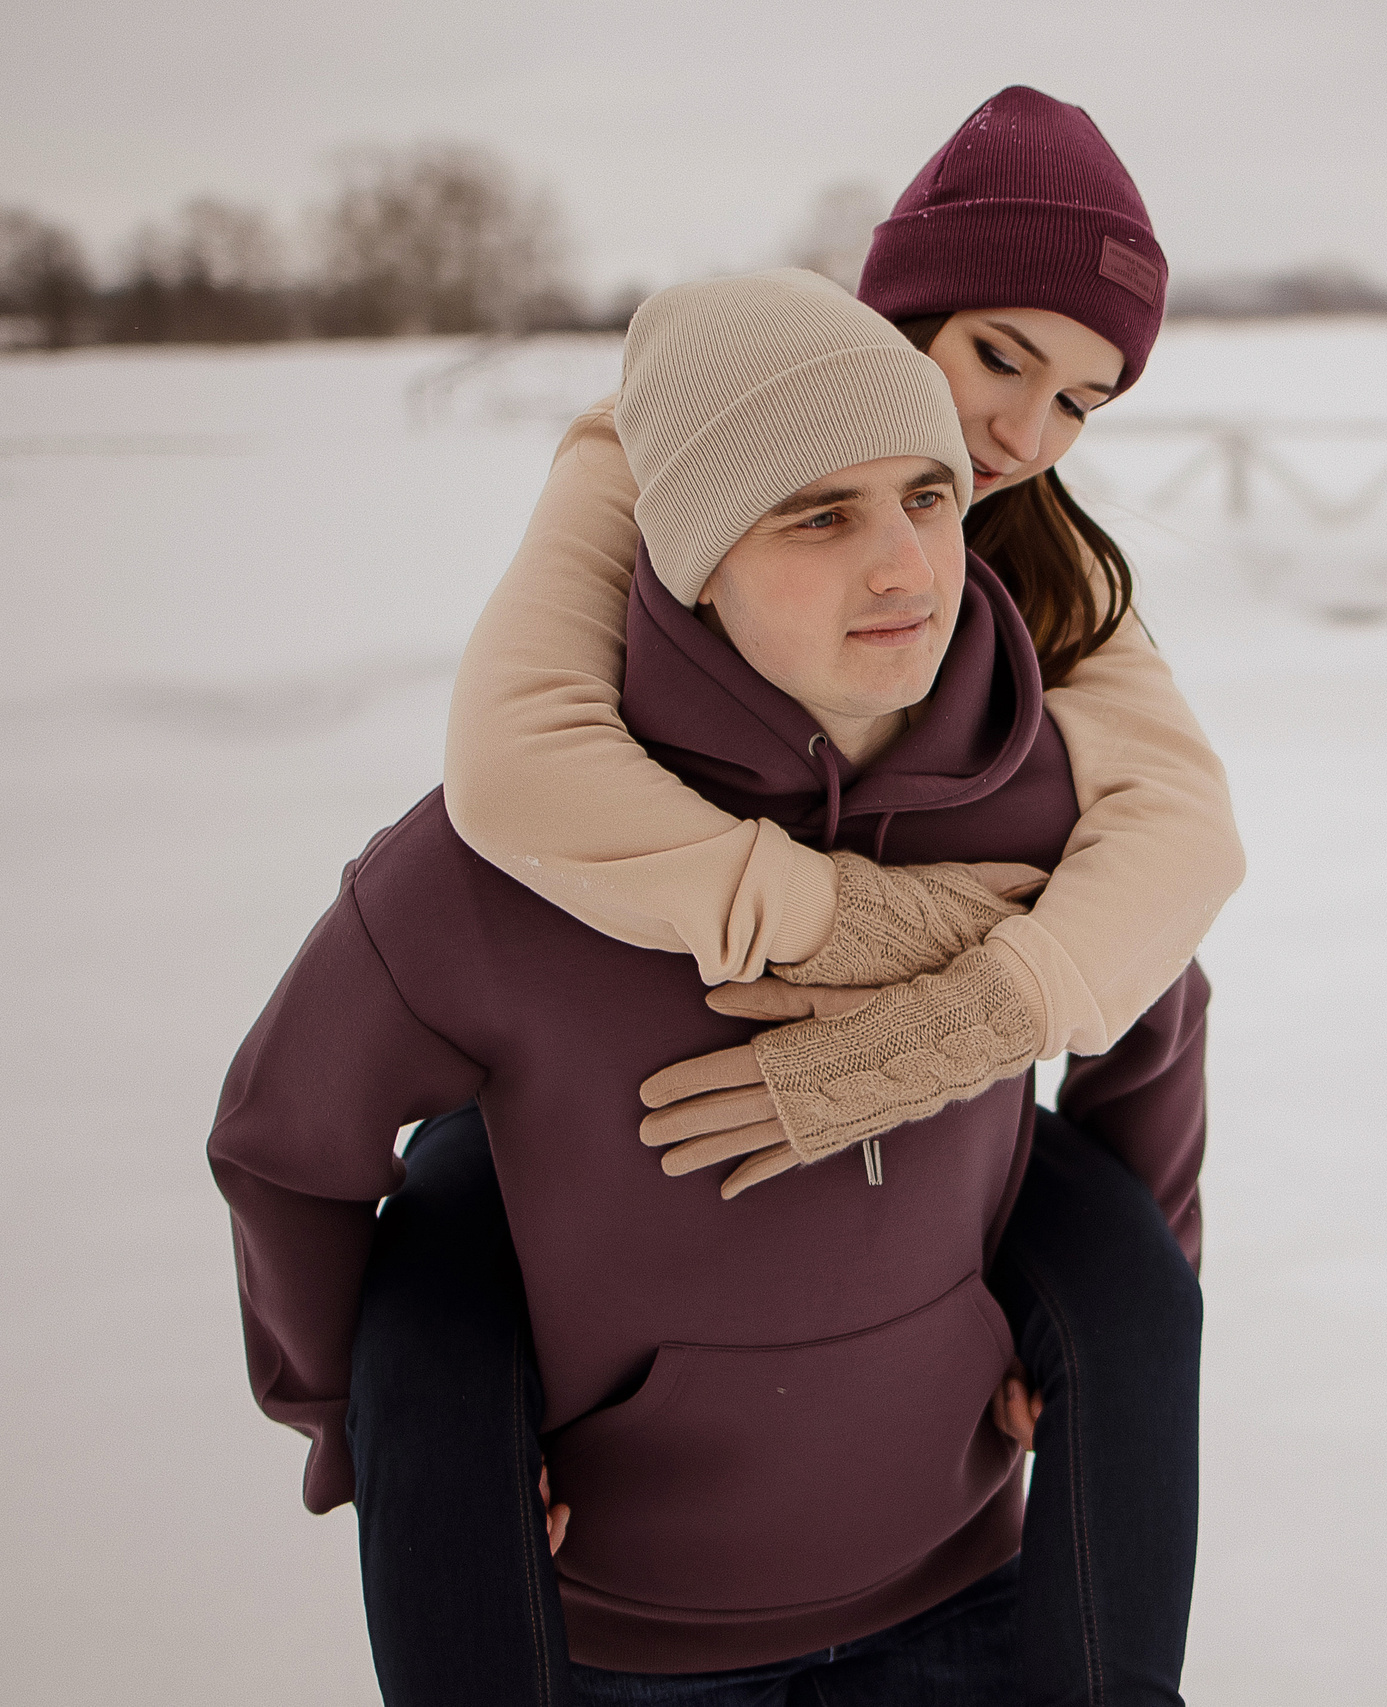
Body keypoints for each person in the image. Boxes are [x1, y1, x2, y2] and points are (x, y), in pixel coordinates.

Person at [340, 88, 1234, 1707]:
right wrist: (860, 921)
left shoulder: (1041, 559)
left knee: (1122, 1283)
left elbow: (1178, 848)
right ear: (904, 310)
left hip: (925, 1189)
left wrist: (979, 1011)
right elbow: (519, 761)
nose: (1026, 438)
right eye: (1000, 360)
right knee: (451, 1268)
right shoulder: (661, 448)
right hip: (599, 1038)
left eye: (1084, 400)